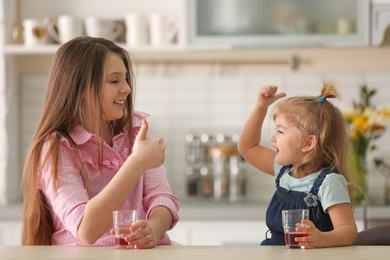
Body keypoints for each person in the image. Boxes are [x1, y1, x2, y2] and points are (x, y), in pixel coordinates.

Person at [21, 36, 180, 248]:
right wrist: (135, 163)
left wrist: (152, 229)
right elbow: (86, 229)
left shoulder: (135, 131)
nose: (126, 89)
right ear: (80, 88)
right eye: (114, 81)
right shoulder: (57, 148)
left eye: (125, 79)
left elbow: (161, 197)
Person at [237, 81, 357, 248]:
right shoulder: (284, 171)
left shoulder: (329, 182)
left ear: (308, 144)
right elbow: (247, 146)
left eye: (280, 131)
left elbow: (348, 231)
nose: (272, 137)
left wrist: (322, 239)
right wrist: (260, 107)